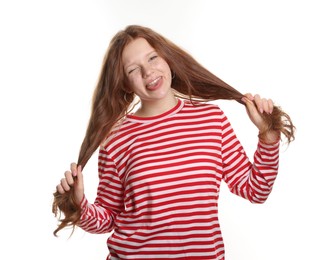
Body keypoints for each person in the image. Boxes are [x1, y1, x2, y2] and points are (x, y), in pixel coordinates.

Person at [52, 25, 295, 260]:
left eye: (152, 58)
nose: (148, 73)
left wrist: (268, 136)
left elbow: (256, 190)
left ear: (167, 58)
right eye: (133, 70)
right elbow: (108, 218)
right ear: (125, 83)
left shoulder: (211, 119)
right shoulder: (116, 139)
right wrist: (78, 206)